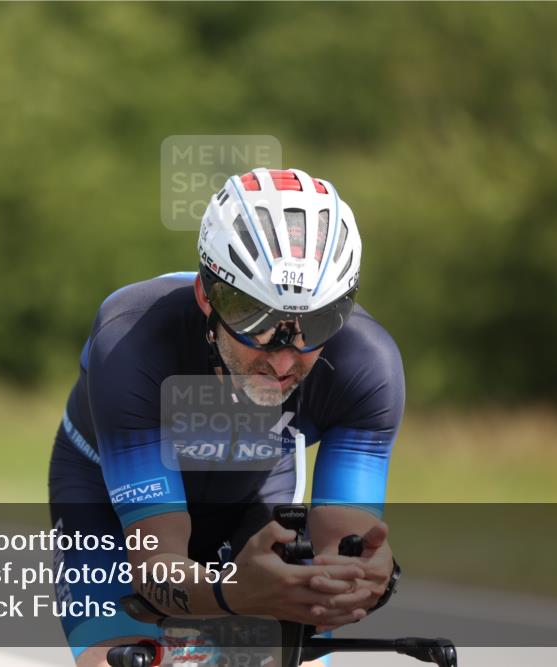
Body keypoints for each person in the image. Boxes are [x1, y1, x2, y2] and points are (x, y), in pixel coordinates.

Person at [49, 168, 404, 666]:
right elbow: (154, 568)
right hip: (103, 496)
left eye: (317, 324)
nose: (283, 360)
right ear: (206, 296)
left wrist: (357, 581)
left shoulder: (366, 367)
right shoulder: (132, 340)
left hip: (254, 490)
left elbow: (341, 552)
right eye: (256, 323)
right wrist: (233, 594)